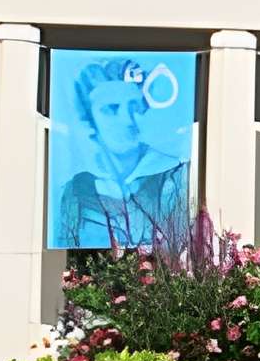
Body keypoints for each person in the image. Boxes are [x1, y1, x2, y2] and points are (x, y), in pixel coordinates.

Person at [53, 58, 191, 250]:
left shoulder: (173, 176)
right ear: (90, 118)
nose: (127, 119)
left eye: (134, 106)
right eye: (112, 108)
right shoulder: (75, 190)